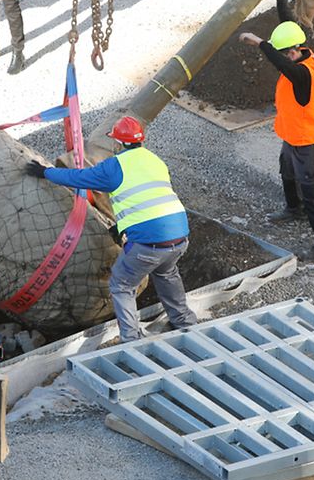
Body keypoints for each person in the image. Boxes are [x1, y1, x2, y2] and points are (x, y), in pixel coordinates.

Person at [25, 116, 198, 343]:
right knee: (166, 272)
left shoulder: (115, 166)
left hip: (149, 242)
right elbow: (149, 199)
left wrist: (45, 172)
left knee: (121, 283)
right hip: (179, 234)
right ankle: (185, 322)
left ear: (118, 143)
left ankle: (131, 339)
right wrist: (123, 225)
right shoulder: (155, 160)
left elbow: (78, 177)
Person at [239, 0, 314, 260]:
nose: (283, 56)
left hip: (306, 140)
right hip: (292, 134)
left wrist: (260, 43)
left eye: (285, 53)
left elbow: (279, 62)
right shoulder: (300, 50)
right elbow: (288, 26)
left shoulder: (304, 74)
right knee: (286, 171)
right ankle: (293, 209)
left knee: (312, 190)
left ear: (293, 52)